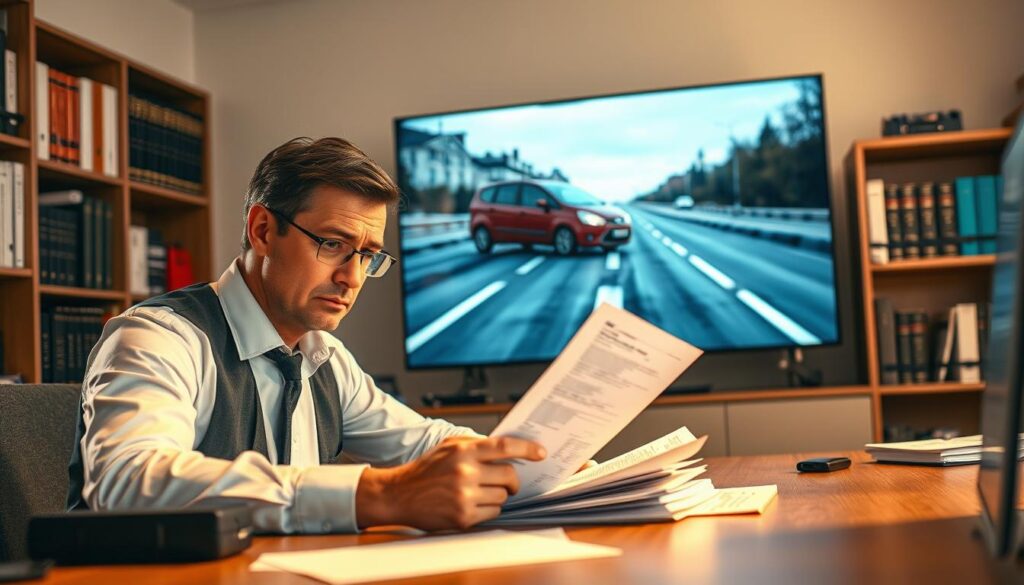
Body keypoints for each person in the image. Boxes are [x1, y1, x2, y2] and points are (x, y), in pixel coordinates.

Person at [66, 137, 547, 533]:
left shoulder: (324, 358)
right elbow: (127, 480)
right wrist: (375, 494)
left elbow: (429, 444)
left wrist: (546, 473)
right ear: (262, 230)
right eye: (334, 244)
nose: (353, 278)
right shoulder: (158, 337)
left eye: (368, 255)